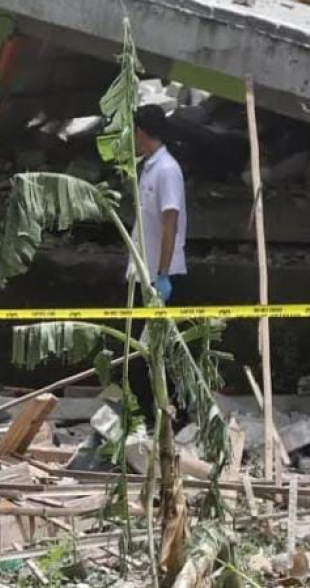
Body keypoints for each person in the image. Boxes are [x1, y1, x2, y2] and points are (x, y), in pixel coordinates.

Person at [127, 104, 188, 423]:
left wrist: (163, 274)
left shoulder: (166, 170)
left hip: (160, 278)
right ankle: (159, 416)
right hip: (146, 274)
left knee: (150, 354)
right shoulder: (150, 167)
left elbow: (170, 223)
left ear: (142, 132)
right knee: (148, 353)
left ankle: (167, 417)